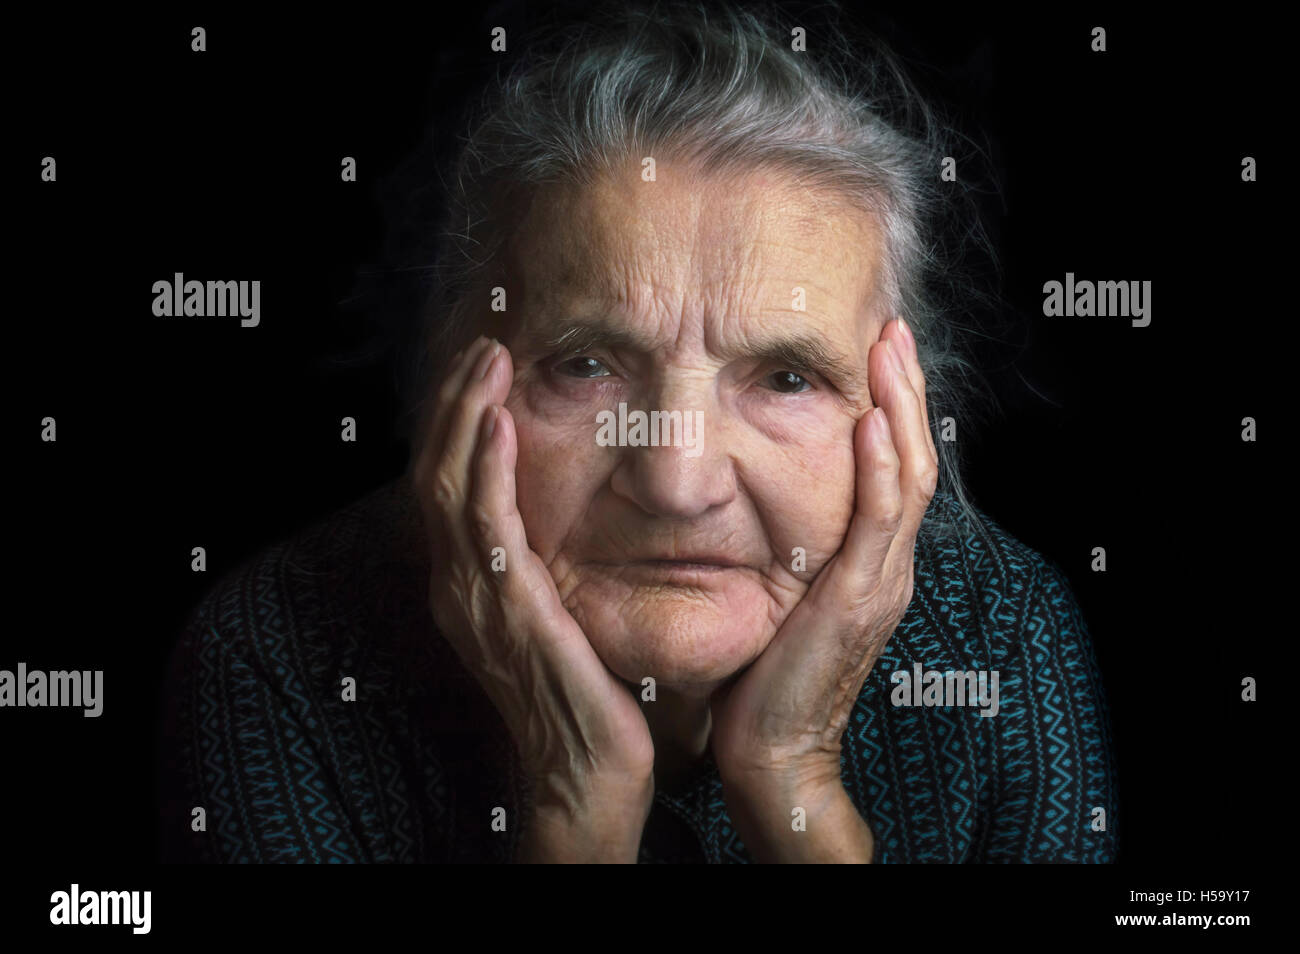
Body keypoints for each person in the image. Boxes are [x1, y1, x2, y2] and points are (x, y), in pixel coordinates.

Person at [158, 3, 1117, 863]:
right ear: (462, 378)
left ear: (902, 421)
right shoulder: (279, 654)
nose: (676, 479)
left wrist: (794, 784)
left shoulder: (1001, 641)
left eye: (787, 378)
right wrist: (577, 807)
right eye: (586, 365)